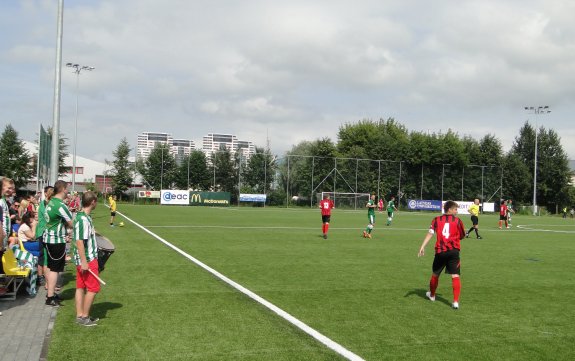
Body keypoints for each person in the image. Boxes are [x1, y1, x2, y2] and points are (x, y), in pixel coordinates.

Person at [418, 200, 466, 310]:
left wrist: (422, 246)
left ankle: (432, 295)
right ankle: (455, 302)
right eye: (455, 209)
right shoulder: (458, 221)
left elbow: (430, 233)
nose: (456, 211)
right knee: (455, 275)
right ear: (449, 209)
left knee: (435, 274)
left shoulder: (436, 220)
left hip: (440, 252)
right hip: (454, 252)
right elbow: (462, 236)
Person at [44, 180, 74, 307]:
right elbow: (72, 223)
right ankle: (50, 297)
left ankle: (50, 295)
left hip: (49, 239)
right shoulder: (60, 205)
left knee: (52, 269)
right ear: (62, 189)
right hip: (56, 241)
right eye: (67, 189)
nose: (68, 191)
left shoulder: (51, 202)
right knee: (55, 270)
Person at [73, 191, 100, 326]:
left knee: (80, 287)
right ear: (93, 202)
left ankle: (80, 315)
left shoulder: (83, 216)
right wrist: (84, 262)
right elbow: (79, 241)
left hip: (82, 259)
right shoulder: (83, 219)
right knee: (93, 288)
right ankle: (84, 317)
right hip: (87, 259)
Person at [35, 186, 54, 287]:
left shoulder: (45, 204)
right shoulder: (46, 204)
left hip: (43, 232)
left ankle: (45, 280)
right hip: (43, 233)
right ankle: (44, 280)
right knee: (44, 257)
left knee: (45, 257)